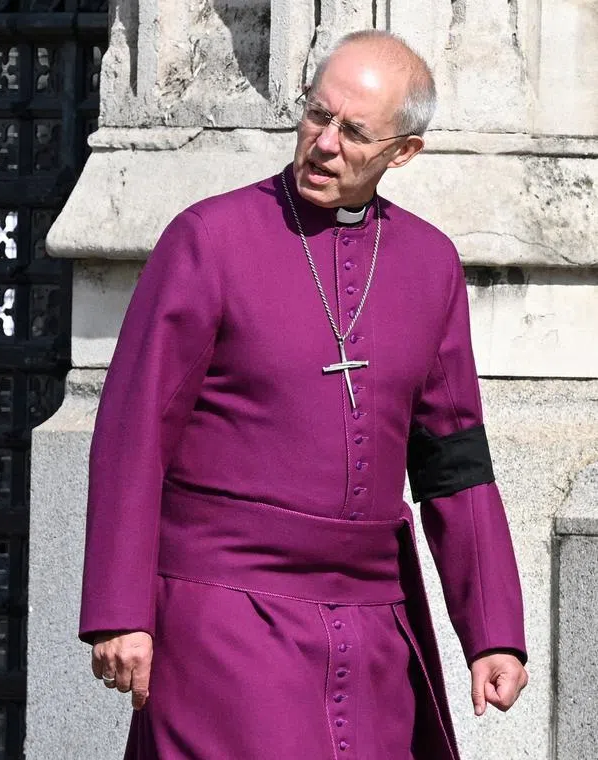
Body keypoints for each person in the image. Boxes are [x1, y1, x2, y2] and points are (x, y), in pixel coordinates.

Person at [79, 30, 529, 759]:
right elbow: (134, 434)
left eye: (354, 132)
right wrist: (119, 610)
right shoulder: (208, 239)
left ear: (403, 152)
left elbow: (454, 460)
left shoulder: (430, 264)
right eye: (317, 116)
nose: (324, 143)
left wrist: (493, 630)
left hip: (375, 627)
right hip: (223, 617)